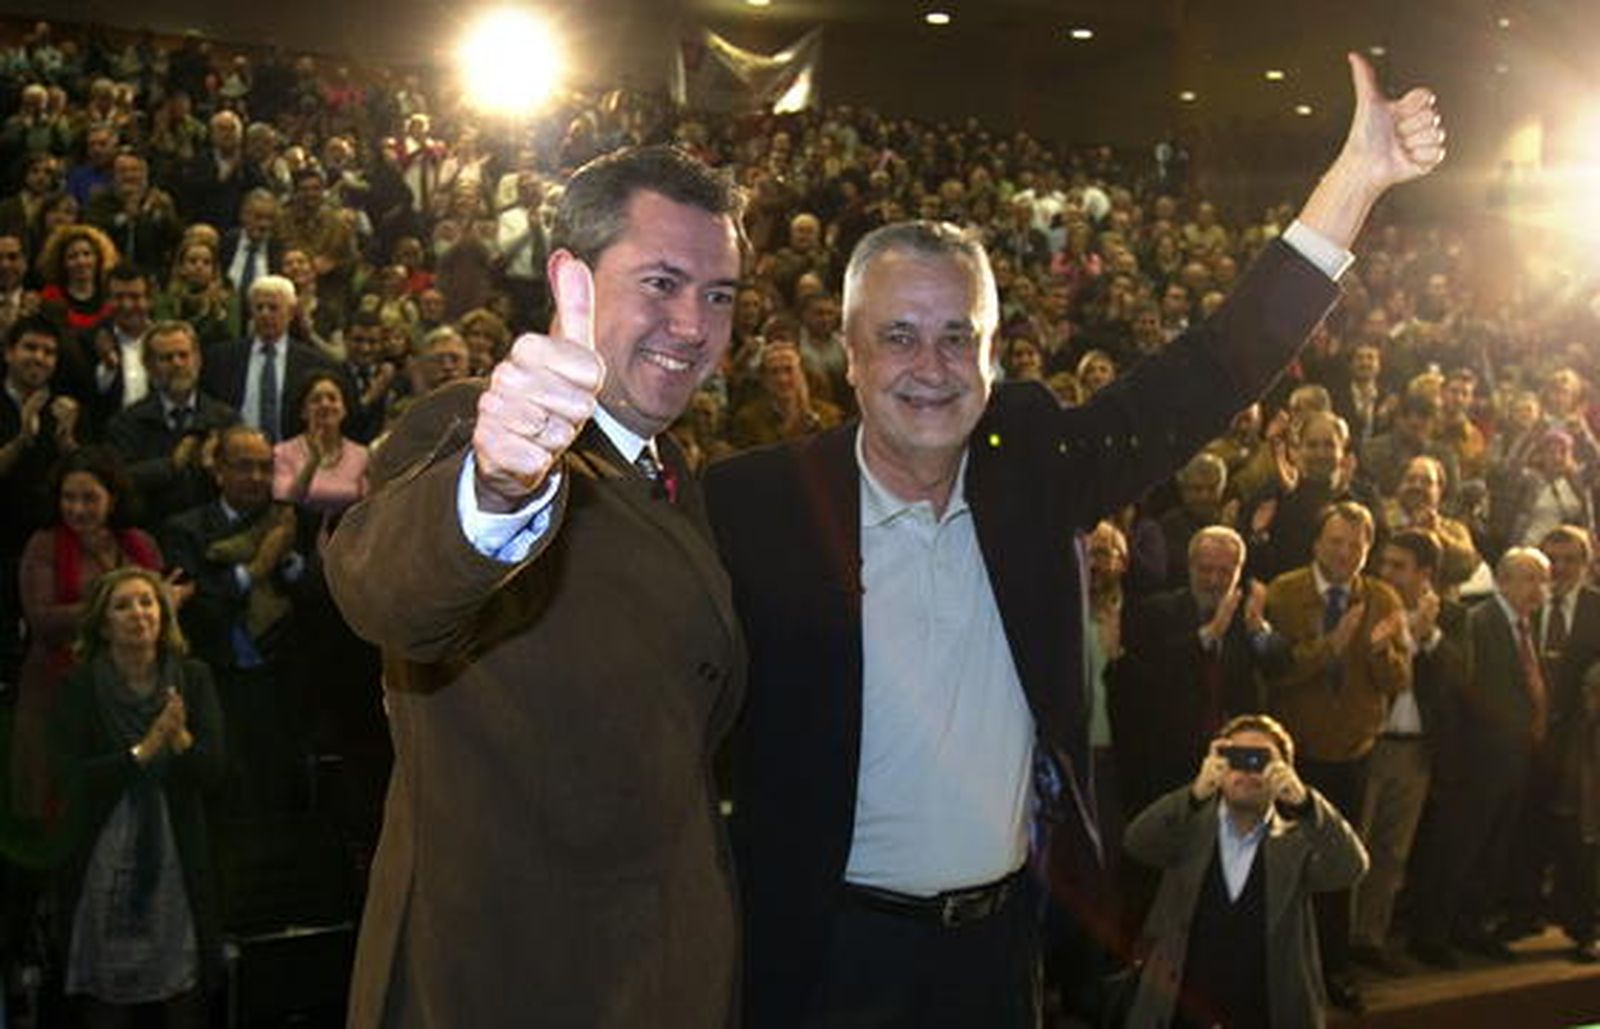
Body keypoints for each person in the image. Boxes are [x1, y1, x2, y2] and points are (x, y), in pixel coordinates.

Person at [702, 53, 1442, 1027]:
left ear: (994, 354)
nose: (931, 366)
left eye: (958, 336)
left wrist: (1356, 181)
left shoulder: (1033, 467)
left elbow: (1211, 368)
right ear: (847, 355)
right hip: (825, 961)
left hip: (999, 958)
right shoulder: (754, 506)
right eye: (898, 336)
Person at [325, 144, 747, 1026]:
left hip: (648, 977)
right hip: (503, 983)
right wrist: (496, 489)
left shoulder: (668, 470)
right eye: (661, 283)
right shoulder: (473, 427)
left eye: (719, 294)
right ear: (570, 279)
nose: (693, 324)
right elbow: (384, 586)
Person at [51, 567, 225, 1027]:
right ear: (104, 625)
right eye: (123, 606)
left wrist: (180, 737)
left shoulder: (192, 677)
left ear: (163, 616)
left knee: (182, 984)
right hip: (104, 855)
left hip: (175, 852)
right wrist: (144, 750)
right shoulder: (80, 687)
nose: (138, 614)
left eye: (147, 602)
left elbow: (214, 773)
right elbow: (72, 780)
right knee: (106, 991)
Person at [1122, 714, 1368, 1028]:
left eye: (1261, 760)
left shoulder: (1296, 844)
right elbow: (1137, 842)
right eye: (1235, 758)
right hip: (1180, 1011)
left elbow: (1350, 867)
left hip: (1265, 1013)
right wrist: (1194, 794)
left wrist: (1306, 803)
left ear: (1285, 773)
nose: (1246, 770)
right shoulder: (1188, 829)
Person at [1410, 547, 1551, 966]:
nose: (1537, 588)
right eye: (1527, 578)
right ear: (1503, 580)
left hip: (1514, 759)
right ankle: (1431, 938)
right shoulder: (1480, 622)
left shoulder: (1529, 626)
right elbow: (1460, 688)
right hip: (1476, 759)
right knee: (1457, 851)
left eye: (1541, 580)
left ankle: (1470, 928)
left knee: (1492, 850)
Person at [11, 448, 165, 819]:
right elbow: (42, 620)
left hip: (133, 692)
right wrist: (115, 605)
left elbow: (159, 602)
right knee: (60, 806)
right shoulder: (44, 544)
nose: (77, 509)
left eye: (89, 498)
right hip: (58, 690)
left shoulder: (139, 544)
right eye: (69, 498)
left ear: (112, 500)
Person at [272, 370, 367, 517]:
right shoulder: (282, 452)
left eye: (332, 398)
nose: (325, 404)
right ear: (303, 411)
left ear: (344, 409)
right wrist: (312, 463)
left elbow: (367, 506)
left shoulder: (362, 455)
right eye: (316, 400)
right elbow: (286, 503)